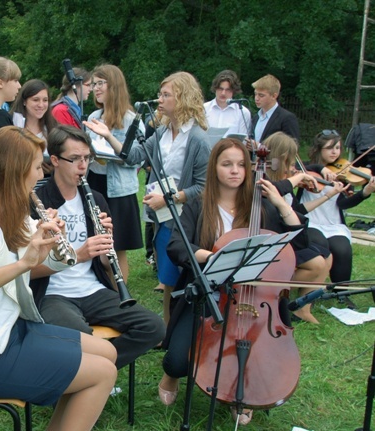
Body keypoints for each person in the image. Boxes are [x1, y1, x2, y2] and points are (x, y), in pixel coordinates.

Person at [0, 126, 117, 431]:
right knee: (102, 374)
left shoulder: (12, 210)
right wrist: (22, 265)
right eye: (35, 168)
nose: (39, 175)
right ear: (15, 172)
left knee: (108, 352)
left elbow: (45, 259)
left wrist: (57, 247)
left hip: (10, 330)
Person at [158, 138, 308, 425]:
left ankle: (240, 391)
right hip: (209, 295)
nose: (235, 171)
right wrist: (216, 256)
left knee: (253, 348)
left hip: (254, 299)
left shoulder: (261, 207)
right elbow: (178, 246)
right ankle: (171, 376)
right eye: (227, 164)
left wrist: (280, 202)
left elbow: (300, 243)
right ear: (214, 167)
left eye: (241, 165)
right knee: (178, 360)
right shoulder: (199, 205)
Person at [30, 125, 165, 371]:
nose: (83, 166)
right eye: (75, 159)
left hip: (92, 290)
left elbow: (109, 269)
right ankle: (90, 377)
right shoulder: (38, 203)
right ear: (56, 161)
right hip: (53, 294)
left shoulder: (96, 199)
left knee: (154, 327)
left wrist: (106, 249)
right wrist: (78, 255)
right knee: (81, 337)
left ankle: (96, 372)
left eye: (87, 158)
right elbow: (26, 267)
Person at [116, 71, 210, 324]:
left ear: (182, 98)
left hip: (186, 217)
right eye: (160, 94)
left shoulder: (198, 139)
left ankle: (184, 326)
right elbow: (134, 157)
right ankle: (169, 328)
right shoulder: (162, 133)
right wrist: (105, 135)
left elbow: (204, 186)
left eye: (166, 95)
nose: (160, 99)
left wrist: (170, 198)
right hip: (164, 215)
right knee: (167, 275)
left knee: (182, 274)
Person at [82, 64, 144, 282]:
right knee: (97, 245)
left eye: (101, 83)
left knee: (116, 249)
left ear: (114, 86)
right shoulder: (95, 115)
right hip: (95, 183)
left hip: (118, 191)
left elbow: (137, 158)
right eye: (94, 84)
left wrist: (109, 138)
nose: (96, 88)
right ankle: (103, 291)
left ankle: (122, 298)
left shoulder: (130, 119)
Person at [262, 132, 332, 324]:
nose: (294, 168)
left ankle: (304, 309)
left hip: (289, 235)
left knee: (327, 256)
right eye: (291, 163)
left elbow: (297, 210)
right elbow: (275, 189)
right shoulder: (265, 179)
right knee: (316, 263)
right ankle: (271, 290)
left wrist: (327, 196)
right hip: (274, 239)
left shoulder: (286, 180)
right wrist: (298, 176)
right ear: (282, 158)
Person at [298, 130, 374, 285]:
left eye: (338, 148)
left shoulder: (343, 173)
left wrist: (364, 192)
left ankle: (341, 291)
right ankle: (312, 286)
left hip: (332, 223)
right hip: (310, 221)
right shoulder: (306, 169)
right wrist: (321, 168)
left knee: (342, 248)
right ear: (319, 149)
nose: (335, 152)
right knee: (321, 246)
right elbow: (295, 167)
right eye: (329, 148)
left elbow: (343, 204)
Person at [11, 79, 58, 183]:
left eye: (45, 100)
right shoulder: (12, 125)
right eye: (36, 100)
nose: (41, 105)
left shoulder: (53, 128)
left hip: (47, 184)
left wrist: (54, 167)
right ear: (24, 101)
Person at [250, 74, 300, 143]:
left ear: (274, 96)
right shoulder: (256, 117)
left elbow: (292, 147)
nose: (256, 98)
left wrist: (260, 147)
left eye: (261, 95)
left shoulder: (286, 118)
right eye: (255, 94)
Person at [204, 70, 252, 140]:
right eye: (221, 89)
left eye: (228, 90)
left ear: (234, 91)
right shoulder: (203, 109)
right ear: (215, 88)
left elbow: (243, 141)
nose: (223, 93)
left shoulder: (242, 112)